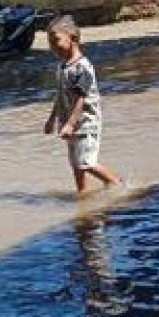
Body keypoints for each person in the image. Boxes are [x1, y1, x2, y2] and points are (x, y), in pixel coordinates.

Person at [44, 15, 122, 196]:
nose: (52, 47)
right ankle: (83, 193)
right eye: (49, 43)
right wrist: (52, 119)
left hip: (86, 122)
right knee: (75, 163)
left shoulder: (83, 67)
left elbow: (81, 98)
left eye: (56, 41)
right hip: (68, 123)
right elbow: (59, 95)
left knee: (86, 161)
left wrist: (71, 124)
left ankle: (116, 184)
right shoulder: (62, 67)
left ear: (73, 38)